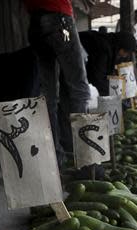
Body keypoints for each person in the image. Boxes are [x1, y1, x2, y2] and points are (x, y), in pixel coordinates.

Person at [24, 0, 90, 167]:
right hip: (60, 20)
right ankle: (85, 159)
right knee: (79, 88)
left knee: (49, 95)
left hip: (35, 24)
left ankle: (54, 157)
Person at [79, 31, 136, 96]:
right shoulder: (103, 48)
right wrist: (116, 90)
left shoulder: (111, 45)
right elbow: (97, 78)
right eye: (126, 52)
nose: (126, 55)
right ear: (121, 47)